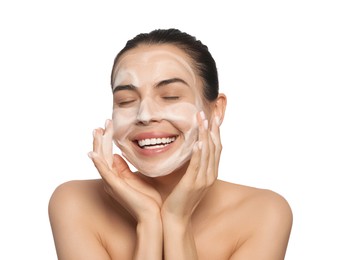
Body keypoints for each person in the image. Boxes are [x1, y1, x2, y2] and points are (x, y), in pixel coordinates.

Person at [48, 28, 293, 260]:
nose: (144, 115)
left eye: (170, 96)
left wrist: (176, 221)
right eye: (125, 100)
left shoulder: (264, 213)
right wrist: (149, 221)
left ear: (216, 110)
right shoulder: (75, 203)